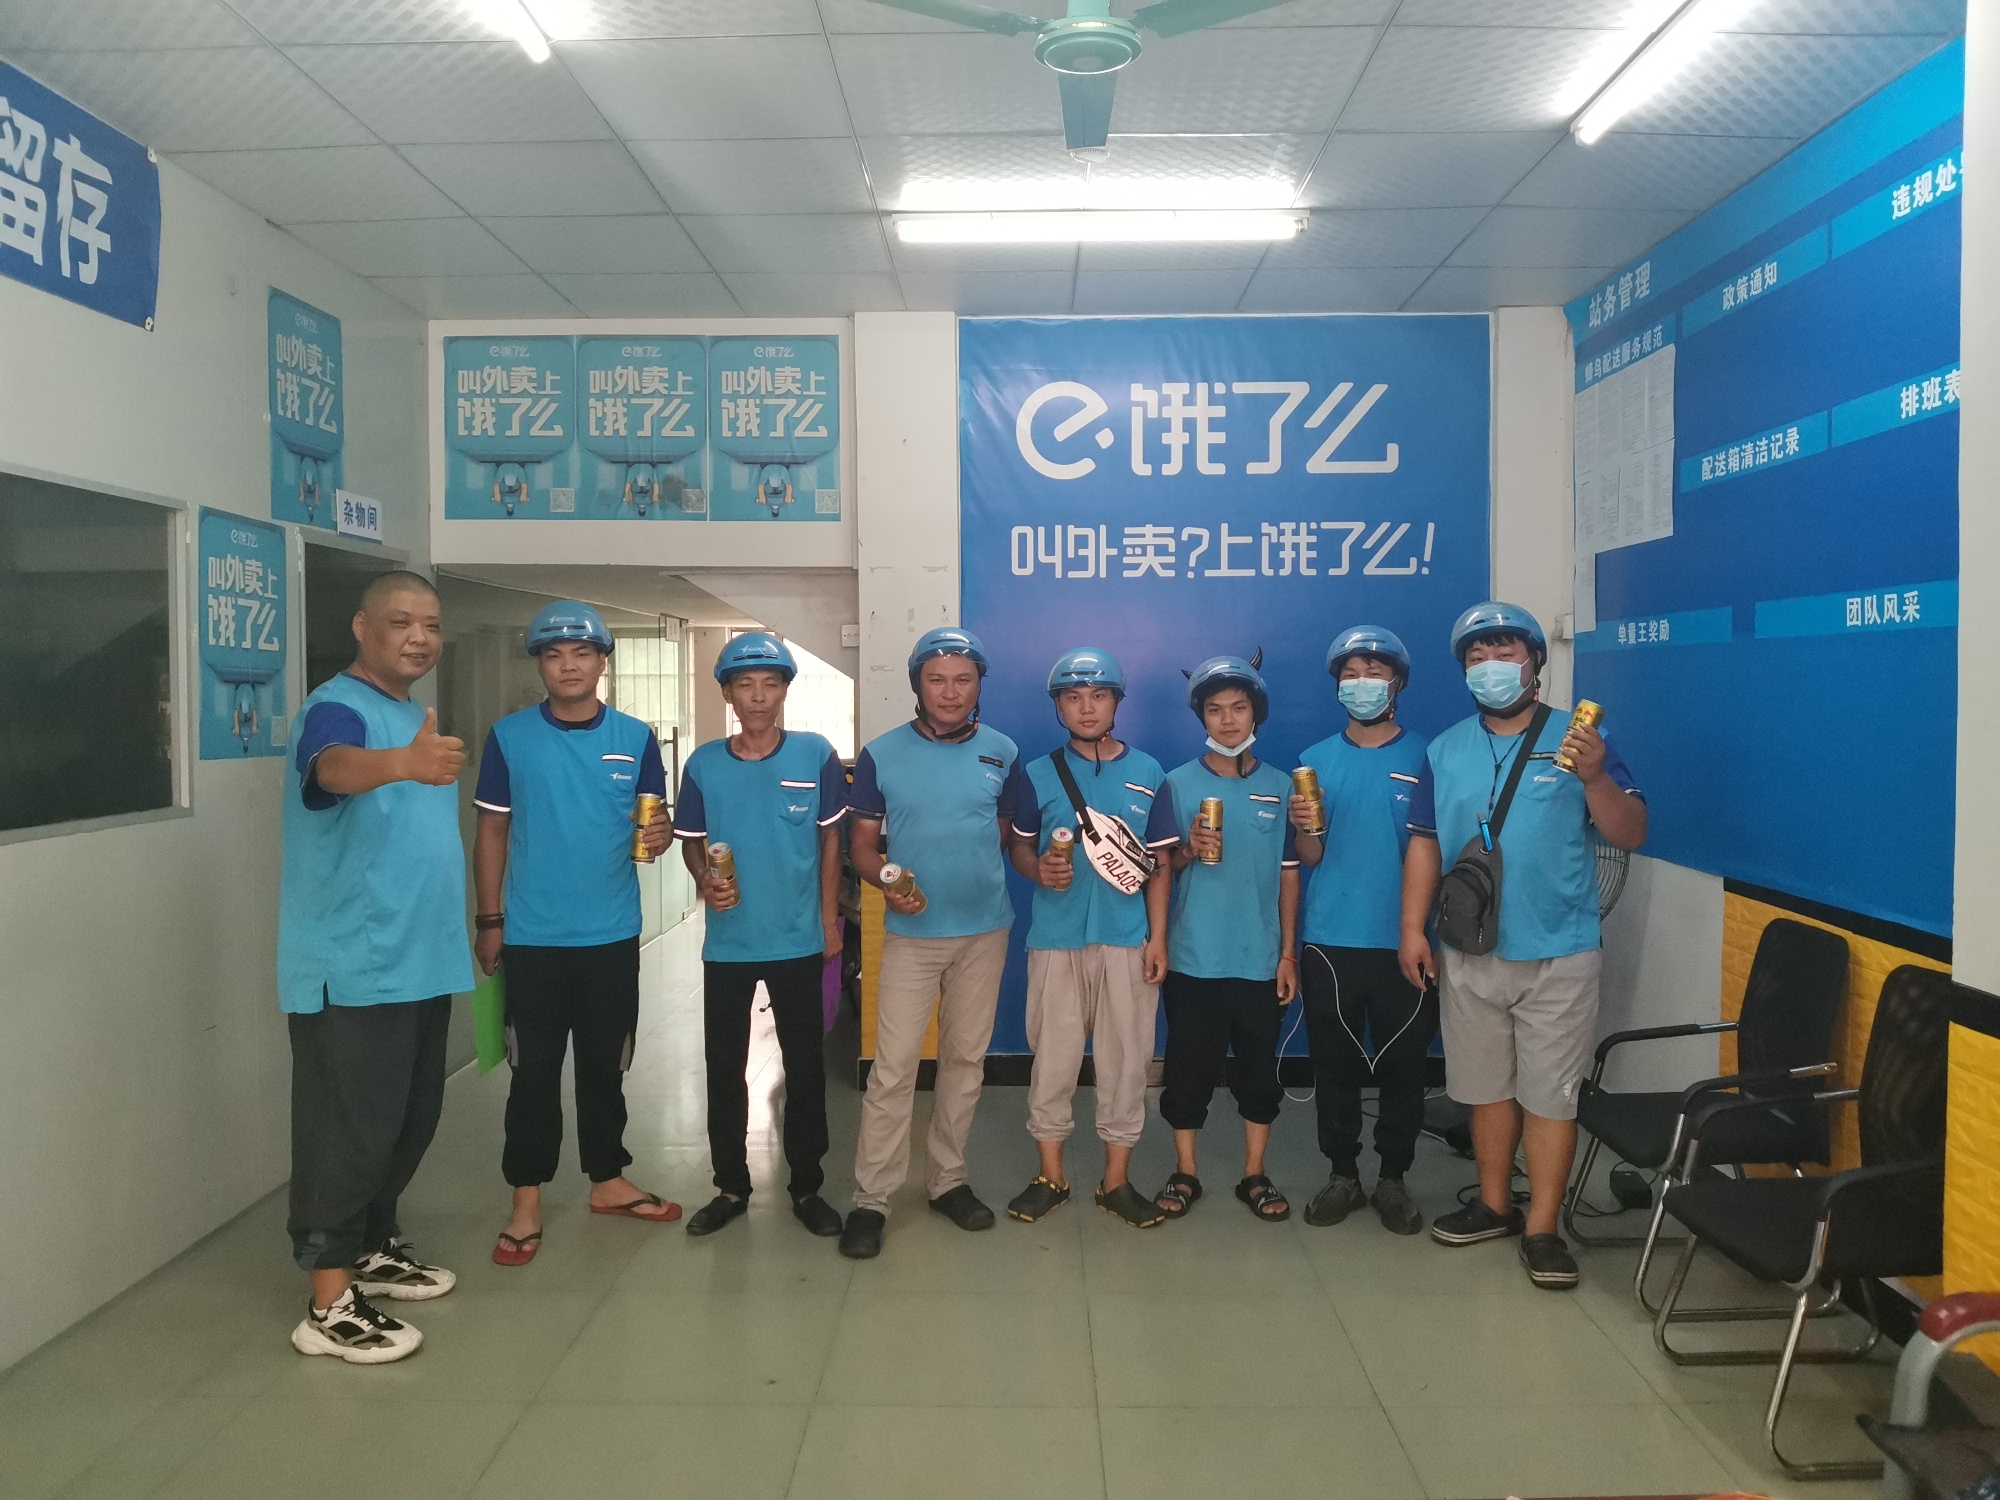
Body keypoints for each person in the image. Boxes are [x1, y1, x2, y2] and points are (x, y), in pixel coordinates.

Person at [1400, 602, 1646, 1289]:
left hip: (1560, 950)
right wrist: (1412, 930)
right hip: (1468, 948)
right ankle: (1493, 1204)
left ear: (1535, 661)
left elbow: (1630, 833)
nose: (1491, 666)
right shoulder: (1443, 751)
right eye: (1477, 657)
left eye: (1505, 653)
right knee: (1485, 1090)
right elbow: (1425, 845)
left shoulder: (1582, 739)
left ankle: (1543, 1228)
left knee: (1550, 1097)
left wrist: (1595, 778)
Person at [278, 571, 471, 1364]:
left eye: (431, 624)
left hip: (419, 959)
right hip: (356, 964)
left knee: (407, 1121)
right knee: (347, 1131)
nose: (419, 637)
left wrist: (408, 756)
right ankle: (327, 1303)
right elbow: (329, 770)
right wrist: (402, 764)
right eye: (400, 621)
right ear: (362, 627)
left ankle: (370, 1245)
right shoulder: (337, 707)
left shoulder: (407, 713)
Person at [472, 601, 682, 1268]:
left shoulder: (636, 737)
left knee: (605, 1066)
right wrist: (489, 919)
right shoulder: (509, 737)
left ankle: (608, 1179)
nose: (568, 665)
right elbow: (492, 831)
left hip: (611, 935)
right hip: (533, 937)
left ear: (601, 662)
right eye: (554, 654)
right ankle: (526, 1200)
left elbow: (654, 827)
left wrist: (660, 835)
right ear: (539, 665)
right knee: (531, 1073)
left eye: (581, 653)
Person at [839, 627, 1019, 1260]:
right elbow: (862, 846)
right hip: (912, 938)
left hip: (984, 933)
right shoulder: (881, 754)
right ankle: (871, 1199)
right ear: (917, 684)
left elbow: (1001, 835)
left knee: (965, 1062)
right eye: (936, 679)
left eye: (963, 680)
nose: (950, 691)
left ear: (978, 686)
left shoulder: (1003, 751)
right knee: (893, 1070)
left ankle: (948, 1181)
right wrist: (889, 882)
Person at [672, 632, 847, 1240]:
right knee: (724, 1068)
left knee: (806, 1070)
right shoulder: (703, 764)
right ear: (728, 694)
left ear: (784, 692)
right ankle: (730, 1186)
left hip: (799, 940)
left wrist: (828, 922)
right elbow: (691, 842)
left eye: (770, 684)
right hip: (728, 944)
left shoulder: (815, 755)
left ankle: (807, 1187)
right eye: (745, 685)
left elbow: (830, 843)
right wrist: (703, 878)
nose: (758, 696)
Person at [1004, 648, 1179, 1229]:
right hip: (1055, 938)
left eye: (1099, 696)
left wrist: (1158, 938)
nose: (1086, 707)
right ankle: (1050, 1177)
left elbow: (1160, 865)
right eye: (1073, 697)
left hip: (1127, 938)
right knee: (1052, 1060)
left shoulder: (1150, 773)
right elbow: (1020, 846)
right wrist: (1037, 870)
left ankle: (1116, 1182)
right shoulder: (1037, 773)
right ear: (1058, 707)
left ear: (1117, 703)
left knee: (1126, 1061)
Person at [1293, 627, 1436, 1235]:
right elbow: (1310, 857)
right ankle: (1343, 1174)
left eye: (1374, 673)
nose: (1362, 685)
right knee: (1334, 1066)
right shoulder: (1314, 760)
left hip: (1408, 942)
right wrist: (1305, 827)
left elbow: (1435, 851)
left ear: (1397, 682)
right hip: (1330, 939)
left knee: (1405, 1067)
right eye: (1350, 675)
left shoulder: (1428, 757)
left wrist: (1417, 930)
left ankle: (1393, 1178)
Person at [1153, 654, 1301, 1225]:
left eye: (1239, 708)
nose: (1228, 720)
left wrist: (1287, 953)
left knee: (1259, 1074)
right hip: (1194, 957)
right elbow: (1162, 869)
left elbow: (1290, 874)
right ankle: (1185, 1171)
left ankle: (1254, 1173)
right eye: (1215, 710)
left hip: (1259, 960)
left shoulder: (1282, 786)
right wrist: (1188, 851)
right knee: (1187, 1071)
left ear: (1256, 713)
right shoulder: (1177, 783)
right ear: (1202, 717)